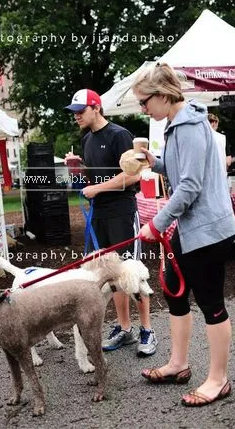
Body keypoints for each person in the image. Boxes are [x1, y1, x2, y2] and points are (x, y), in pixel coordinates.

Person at [132, 63, 235, 406]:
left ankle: (219, 380)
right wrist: (157, 161)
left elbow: (190, 185)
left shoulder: (189, 125)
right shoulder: (178, 124)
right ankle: (178, 365)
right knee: (175, 293)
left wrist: (157, 224)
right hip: (191, 229)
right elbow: (186, 168)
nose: (143, 108)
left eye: (144, 101)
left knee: (211, 304)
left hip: (207, 231)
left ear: (162, 95)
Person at [65, 88, 158, 356]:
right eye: (74, 113)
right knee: (111, 275)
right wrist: (78, 169)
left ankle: (147, 330)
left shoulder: (120, 135)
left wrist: (97, 189)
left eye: (80, 111)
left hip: (122, 212)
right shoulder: (86, 140)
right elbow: (94, 177)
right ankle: (125, 328)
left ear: (96, 107)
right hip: (100, 214)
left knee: (131, 271)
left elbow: (135, 175)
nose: (76, 117)